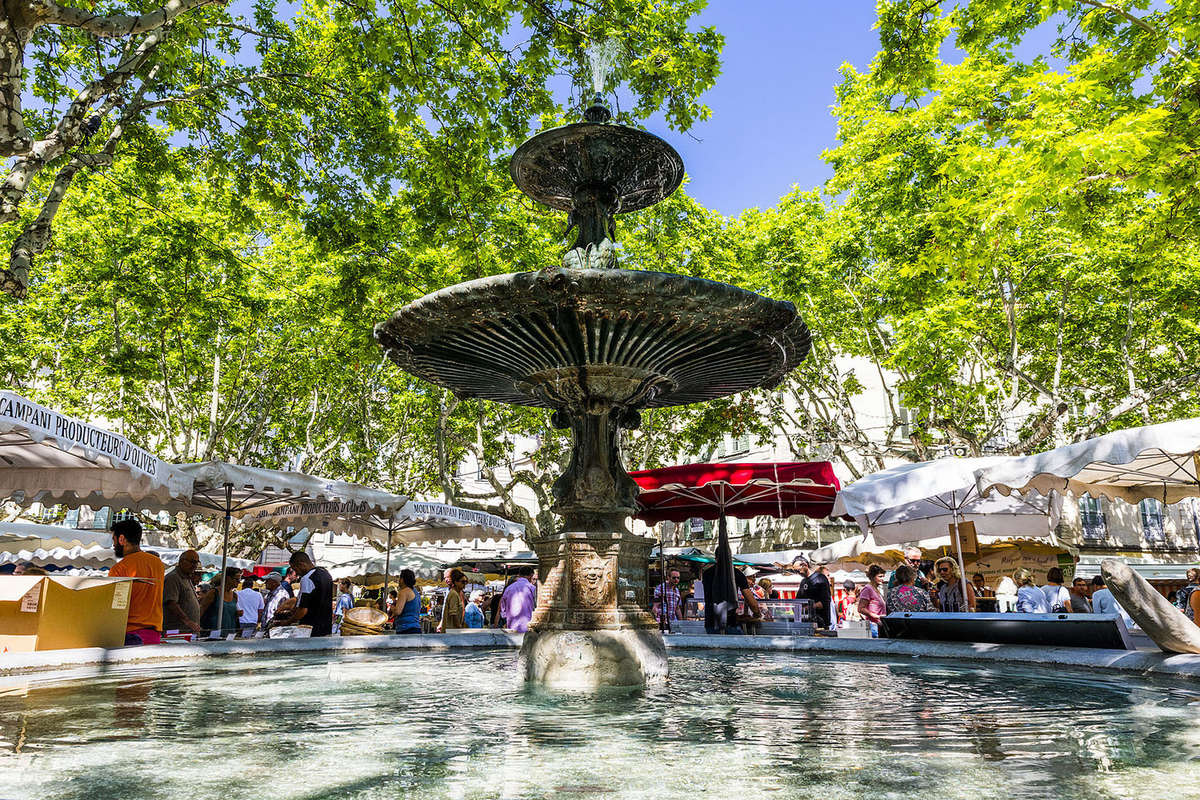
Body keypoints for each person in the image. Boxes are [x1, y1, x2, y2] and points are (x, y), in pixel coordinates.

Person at [107, 519, 166, 646]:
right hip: (154, 634)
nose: (113, 545)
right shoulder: (158, 564)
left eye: (114, 540)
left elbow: (116, 607)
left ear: (121, 539)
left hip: (130, 634)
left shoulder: (119, 569)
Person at [278, 552, 334, 636]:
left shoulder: (307, 578)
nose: (297, 573)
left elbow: (302, 610)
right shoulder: (325, 573)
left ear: (301, 564)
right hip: (326, 628)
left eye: (295, 569)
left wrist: (286, 622)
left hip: (310, 630)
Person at [162, 549, 209, 635]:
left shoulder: (186, 578)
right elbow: (171, 603)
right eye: (192, 562)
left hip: (188, 632)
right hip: (177, 632)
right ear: (181, 561)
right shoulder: (173, 578)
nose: (194, 566)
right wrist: (187, 621)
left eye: (196, 563)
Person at [200, 566, 242, 635]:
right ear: (228, 578)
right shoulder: (213, 593)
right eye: (237, 579)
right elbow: (202, 610)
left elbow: (230, 615)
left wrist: (237, 614)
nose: (239, 582)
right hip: (213, 634)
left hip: (230, 634)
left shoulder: (234, 596)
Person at [500, 566, 537, 632]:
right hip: (527, 625)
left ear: (519, 575)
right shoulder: (532, 588)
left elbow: (503, 605)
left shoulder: (509, 588)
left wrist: (505, 616)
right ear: (531, 575)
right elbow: (536, 605)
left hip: (511, 625)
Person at [857, 564, 887, 637]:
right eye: (880, 576)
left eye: (883, 576)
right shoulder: (868, 589)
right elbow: (861, 608)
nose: (882, 579)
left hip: (879, 625)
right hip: (873, 626)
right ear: (873, 577)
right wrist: (876, 616)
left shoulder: (876, 589)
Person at [392, 569, 422, 634]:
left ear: (402, 579)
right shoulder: (416, 592)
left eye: (399, 578)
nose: (398, 581)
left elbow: (397, 611)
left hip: (405, 629)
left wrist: (392, 608)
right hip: (416, 628)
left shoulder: (403, 592)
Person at [806, 563, 833, 629]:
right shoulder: (819, 584)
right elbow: (823, 603)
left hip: (826, 624)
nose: (829, 578)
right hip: (819, 624)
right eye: (828, 575)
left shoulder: (827, 590)